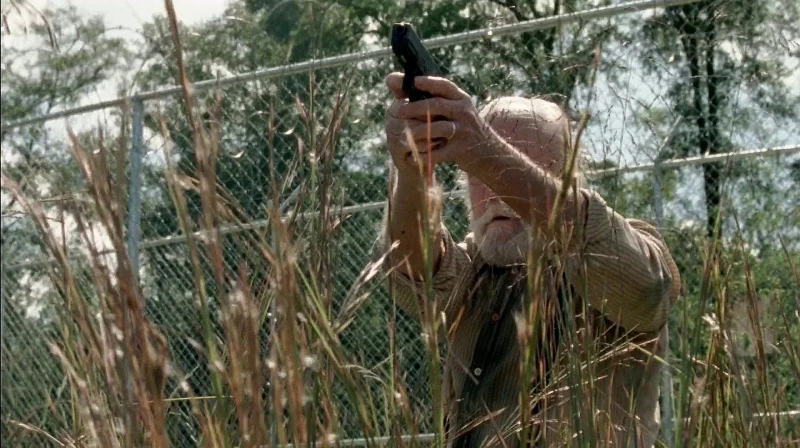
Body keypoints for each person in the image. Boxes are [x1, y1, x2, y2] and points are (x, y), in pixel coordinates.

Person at [378, 72, 681, 448]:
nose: (497, 193)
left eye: (518, 169)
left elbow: (645, 288)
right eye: (480, 174)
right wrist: (411, 170)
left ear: (570, 182)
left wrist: (483, 152)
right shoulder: (475, 267)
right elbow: (414, 272)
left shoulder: (624, 251)